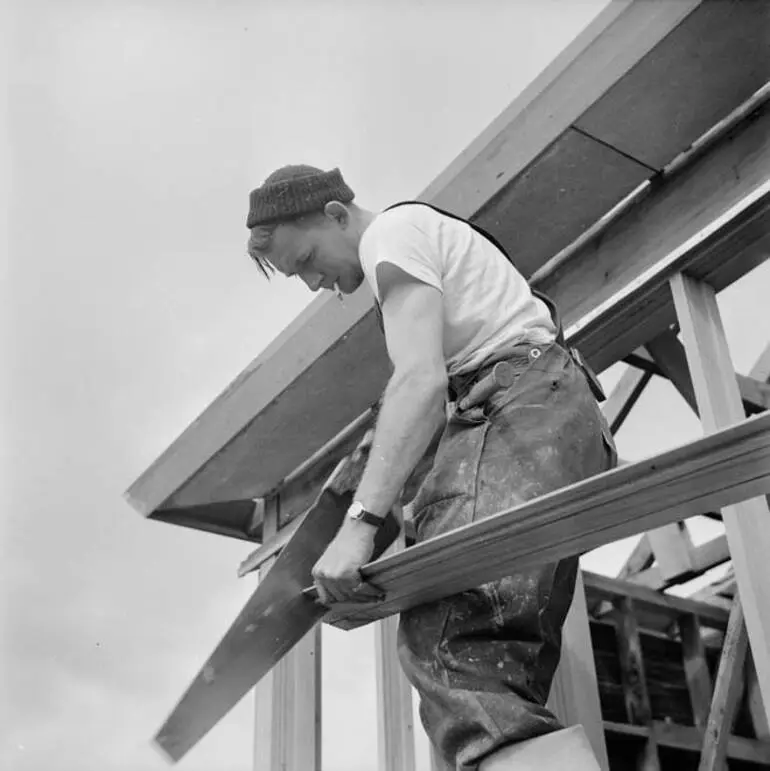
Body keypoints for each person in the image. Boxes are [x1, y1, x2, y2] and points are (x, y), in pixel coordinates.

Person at [245, 164, 616, 770]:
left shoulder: (392, 234)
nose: (315, 282)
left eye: (309, 258)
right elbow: (432, 394)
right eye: (299, 277)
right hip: (554, 410)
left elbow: (419, 381)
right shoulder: (426, 245)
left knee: (453, 647)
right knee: (497, 673)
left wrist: (359, 525)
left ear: (338, 215)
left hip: (526, 411)